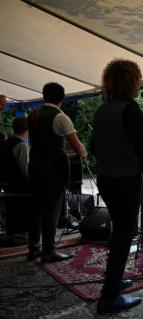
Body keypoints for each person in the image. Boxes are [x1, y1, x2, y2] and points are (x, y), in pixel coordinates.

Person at [90, 59, 143, 314]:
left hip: (106, 180)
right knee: (124, 234)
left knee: (118, 231)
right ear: (132, 81)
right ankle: (109, 298)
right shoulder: (129, 109)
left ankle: (115, 279)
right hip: (126, 180)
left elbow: (93, 148)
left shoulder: (102, 109)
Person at [27, 82, 88, 262]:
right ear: (62, 98)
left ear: (44, 96)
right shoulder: (61, 117)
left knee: (36, 210)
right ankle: (48, 251)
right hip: (53, 171)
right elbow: (78, 147)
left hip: (35, 168)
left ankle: (33, 249)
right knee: (51, 211)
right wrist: (83, 153)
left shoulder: (33, 114)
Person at [0, 118, 30, 193]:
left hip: (5, 183)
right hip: (18, 186)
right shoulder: (21, 145)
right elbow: (25, 171)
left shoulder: (5, 143)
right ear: (27, 130)